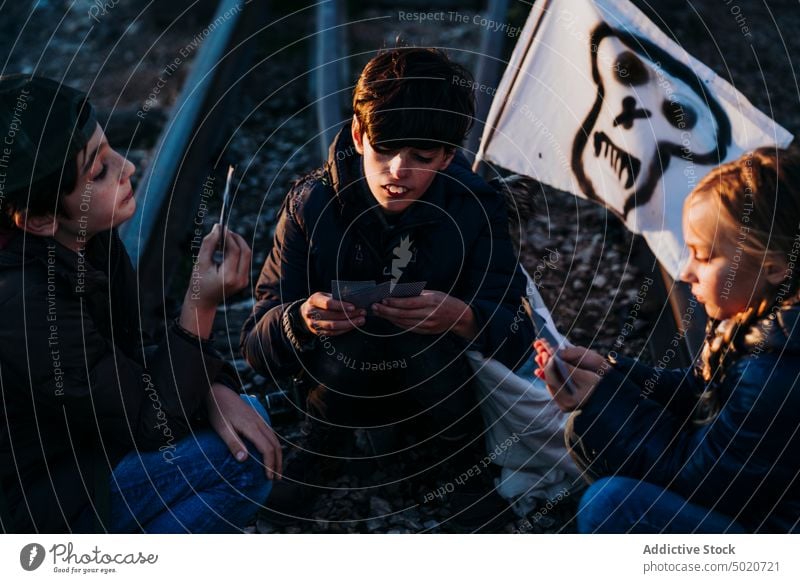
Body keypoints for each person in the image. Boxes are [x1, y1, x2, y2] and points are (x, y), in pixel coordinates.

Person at [241, 48, 534, 530]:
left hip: (443, 397)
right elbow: (255, 344)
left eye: (421, 157)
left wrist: (463, 317)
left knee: (424, 335)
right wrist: (300, 318)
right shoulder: (311, 206)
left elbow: (520, 328)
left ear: (447, 155)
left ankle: (462, 472)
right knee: (355, 334)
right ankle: (320, 456)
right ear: (359, 136)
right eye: (385, 150)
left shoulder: (475, 206)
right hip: (333, 391)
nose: (398, 171)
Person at [0, 75, 281, 533]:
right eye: (99, 172)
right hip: (40, 501)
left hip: (85, 447)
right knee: (240, 464)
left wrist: (213, 390)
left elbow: (132, 360)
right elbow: (149, 422)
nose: (128, 167)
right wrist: (199, 307)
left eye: (110, 150)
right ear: (37, 218)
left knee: (245, 418)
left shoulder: (87, 240)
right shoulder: (23, 303)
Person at [534, 147, 800, 533]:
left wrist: (603, 400)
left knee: (611, 506)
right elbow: (702, 397)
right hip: (750, 502)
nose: (686, 270)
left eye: (704, 256)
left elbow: (699, 480)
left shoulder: (778, 370)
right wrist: (613, 376)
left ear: (773, 267)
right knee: (588, 431)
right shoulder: (759, 318)